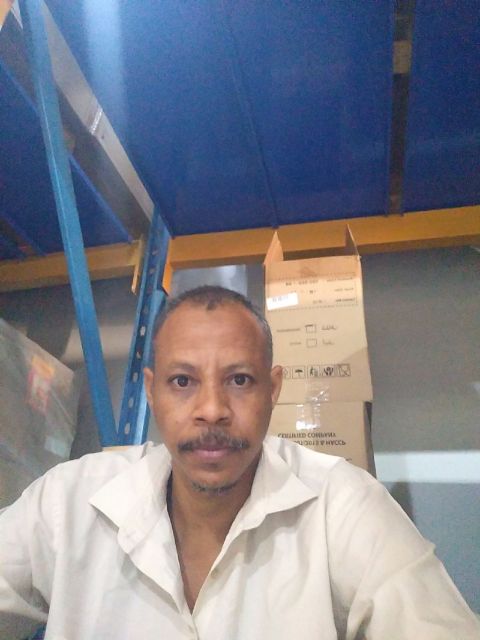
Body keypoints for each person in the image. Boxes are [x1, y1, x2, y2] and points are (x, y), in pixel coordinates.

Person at [0, 285, 479, 640]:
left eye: (240, 380)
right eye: (182, 381)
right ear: (150, 392)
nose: (212, 409)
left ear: (274, 389)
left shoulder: (343, 503)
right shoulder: (68, 501)